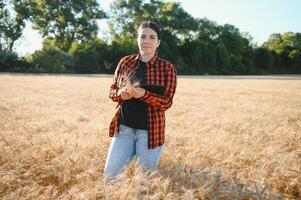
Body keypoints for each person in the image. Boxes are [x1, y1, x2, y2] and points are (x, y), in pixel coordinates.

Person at [104, 21, 177, 184]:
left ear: (158, 42)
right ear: (137, 39)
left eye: (152, 37)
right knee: (110, 178)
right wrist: (121, 94)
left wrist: (144, 94)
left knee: (143, 183)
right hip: (124, 130)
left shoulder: (167, 68)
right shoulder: (125, 62)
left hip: (150, 134)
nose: (147, 41)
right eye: (143, 36)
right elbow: (111, 92)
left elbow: (166, 103)